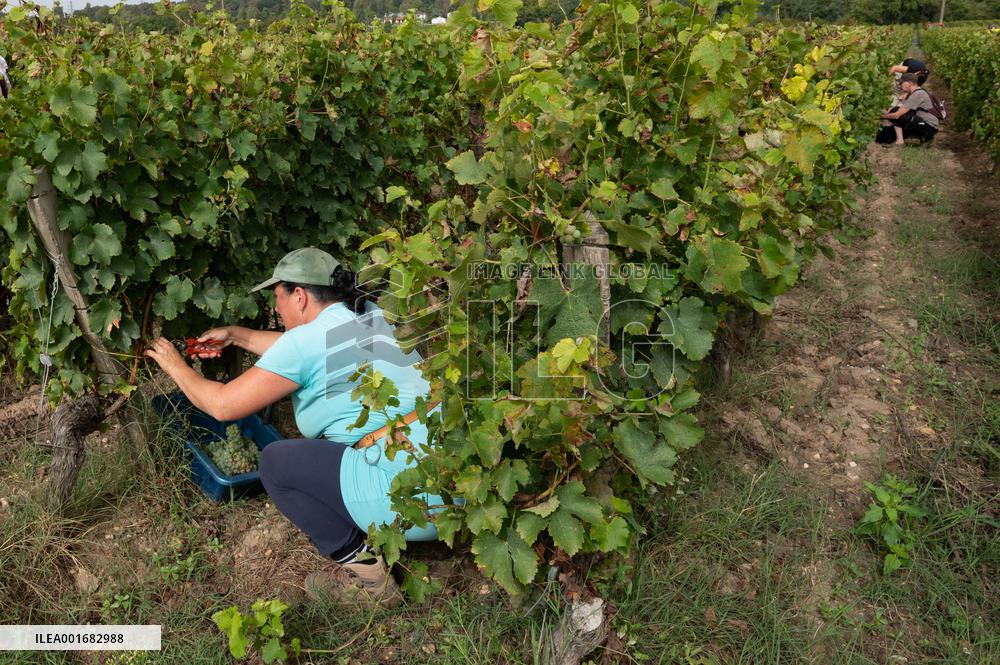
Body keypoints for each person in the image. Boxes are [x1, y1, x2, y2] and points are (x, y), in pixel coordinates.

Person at [145, 247, 442, 607]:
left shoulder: (306, 343)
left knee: (277, 463)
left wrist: (175, 367)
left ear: (299, 296)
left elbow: (221, 406)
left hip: (414, 504)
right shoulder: (371, 315)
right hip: (453, 481)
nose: (278, 310)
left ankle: (373, 584)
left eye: (278, 299)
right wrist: (236, 335)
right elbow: (295, 348)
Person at [878, 73, 939, 146]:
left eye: (902, 82)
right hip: (920, 122)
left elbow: (896, 115)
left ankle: (900, 141)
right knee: (884, 134)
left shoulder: (918, 94)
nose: (900, 85)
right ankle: (924, 138)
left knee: (895, 111)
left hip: (929, 126)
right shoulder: (914, 93)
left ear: (910, 83)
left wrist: (879, 117)